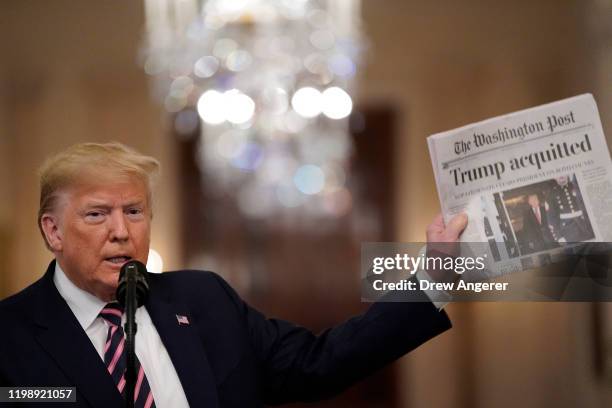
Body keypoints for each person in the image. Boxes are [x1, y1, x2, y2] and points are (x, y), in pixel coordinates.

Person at [0, 142, 467, 407]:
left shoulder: (204, 299)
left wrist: (435, 276)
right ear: (53, 231)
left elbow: (317, 364)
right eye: (98, 214)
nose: (121, 232)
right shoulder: (11, 335)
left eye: (135, 211)